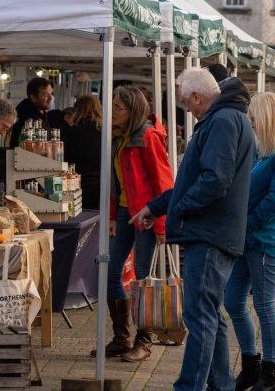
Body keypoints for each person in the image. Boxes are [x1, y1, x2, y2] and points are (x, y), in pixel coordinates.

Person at [131, 69, 255, 390]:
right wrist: (158, 207)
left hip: (210, 233)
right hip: (214, 232)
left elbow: (215, 179)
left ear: (198, 97)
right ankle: (221, 384)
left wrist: (181, 209)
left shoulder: (222, 121)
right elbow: (193, 182)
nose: (188, 110)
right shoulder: (225, 119)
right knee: (209, 315)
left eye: (188, 103)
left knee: (199, 316)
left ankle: (190, 386)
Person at [224, 93, 275, 391]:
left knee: (264, 304)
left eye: (253, 118)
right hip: (245, 237)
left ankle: (270, 373)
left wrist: (246, 223)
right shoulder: (266, 148)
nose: (250, 123)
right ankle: (251, 364)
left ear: (266, 118)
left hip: (263, 239)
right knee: (233, 300)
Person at [102, 86, 174, 363]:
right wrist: (111, 215)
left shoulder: (148, 137)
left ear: (132, 110)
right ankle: (122, 337)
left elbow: (164, 183)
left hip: (146, 215)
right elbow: (115, 181)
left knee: (143, 279)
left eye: (118, 108)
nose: (113, 111)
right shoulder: (117, 137)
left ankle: (144, 341)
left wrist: (160, 225)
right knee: (110, 270)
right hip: (123, 213)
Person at [62, 95, 103, 211]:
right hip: (101, 187)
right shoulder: (106, 133)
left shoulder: (70, 133)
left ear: (76, 110)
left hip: (76, 188)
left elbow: (64, 162)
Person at [9, 77, 53, 147]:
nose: (50, 99)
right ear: (33, 97)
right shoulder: (29, 120)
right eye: (46, 95)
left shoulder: (41, 115)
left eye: (51, 94)